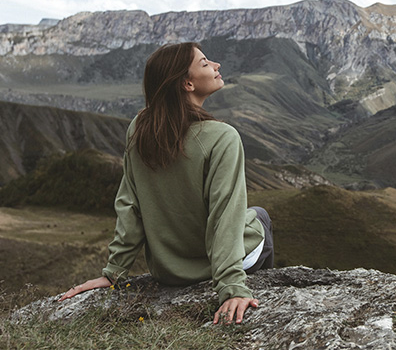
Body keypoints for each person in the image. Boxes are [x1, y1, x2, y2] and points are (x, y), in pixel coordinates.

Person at [60, 42, 273, 325]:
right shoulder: (223, 138)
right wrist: (232, 288)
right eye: (206, 63)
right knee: (261, 218)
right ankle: (261, 287)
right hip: (216, 269)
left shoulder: (140, 128)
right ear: (187, 83)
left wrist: (115, 271)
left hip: (168, 271)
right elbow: (225, 214)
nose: (217, 66)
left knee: (254, 214)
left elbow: (129, 204)